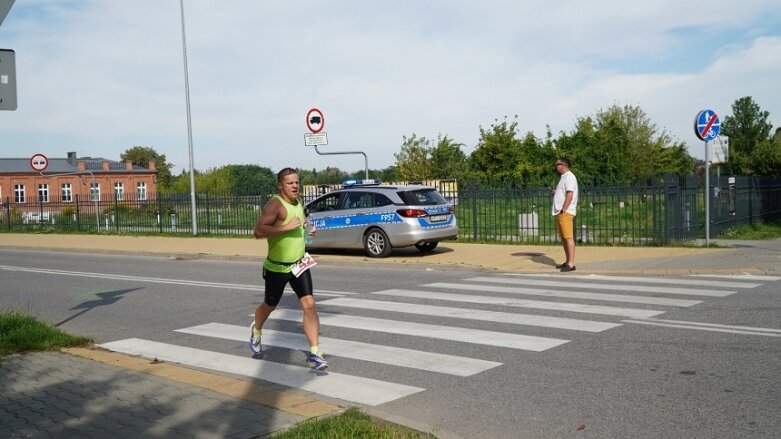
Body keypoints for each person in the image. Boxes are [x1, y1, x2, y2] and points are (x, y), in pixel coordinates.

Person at [249, 167, 326, 370]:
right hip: (277, 267)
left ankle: (315, 352)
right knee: (270, 305)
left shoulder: (298, 203)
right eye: (290, 183)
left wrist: (308, 229)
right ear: (280, 185)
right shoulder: (275, 205)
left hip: (299, 263)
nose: (295, 186)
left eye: (297, 182)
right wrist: (286, 227)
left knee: (309, 304)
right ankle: (256, 330)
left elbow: (299, 223)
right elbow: (258, 231)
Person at [551, 157, 578, 272]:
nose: (556, 166)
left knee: (568, 237)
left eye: (557, 164)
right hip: (560, 212)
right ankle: (567, 261)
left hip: (565, 212)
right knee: (564, 238)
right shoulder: (564, 178)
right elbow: (564, 193)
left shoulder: (570, 177)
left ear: (563, 165)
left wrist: (564, 209)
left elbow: (570, 194)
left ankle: (571, 263)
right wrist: (555, 193)